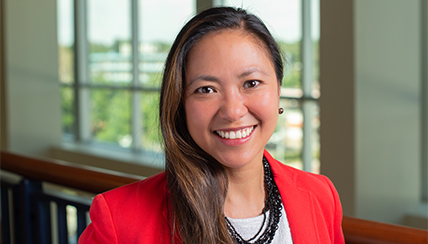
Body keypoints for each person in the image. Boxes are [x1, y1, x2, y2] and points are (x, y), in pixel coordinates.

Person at [79, 7, 345, 244]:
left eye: (251, 83)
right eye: (206, 89)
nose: (232, 110)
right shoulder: (119, 220)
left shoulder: (321, 196)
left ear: (278, 90)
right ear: (180, 104)